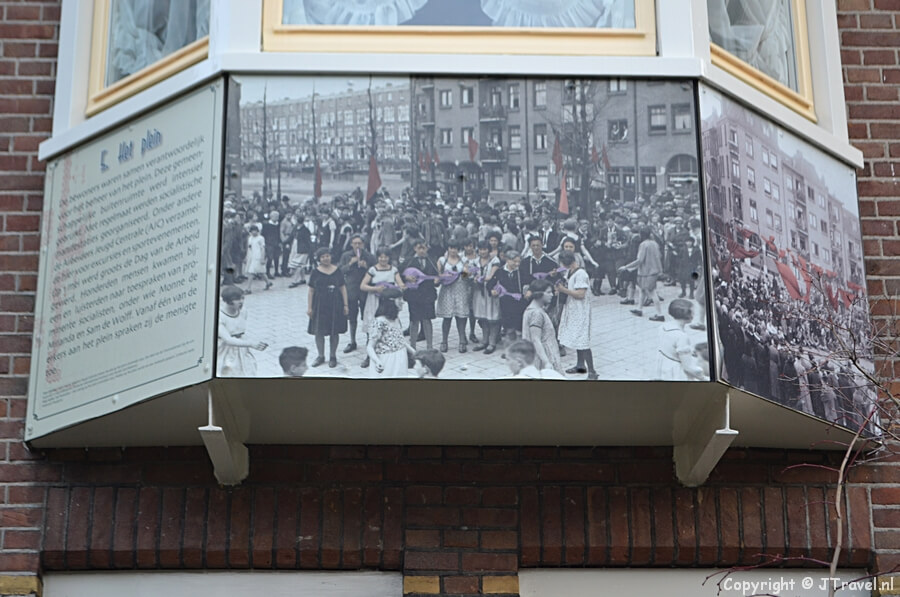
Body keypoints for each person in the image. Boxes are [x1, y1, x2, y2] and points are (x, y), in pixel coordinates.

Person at [360, 246, 406, 368]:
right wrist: (375, 289)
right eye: (381, 256)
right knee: (373, 327)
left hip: (388, 302)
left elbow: (400, 283)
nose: (383, 259)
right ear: (378, 257)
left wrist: (401, 287)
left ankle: (390, 352)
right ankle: (369, 356)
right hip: (374, 301)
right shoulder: (373, 270)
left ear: (389, 257)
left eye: (386, 256)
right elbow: (363, 286)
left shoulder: (393, 269)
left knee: (390, 325)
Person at [556, 251, 597, 379]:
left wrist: (563, 290)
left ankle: (592, 372)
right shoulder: (570, 272)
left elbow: (580, 294)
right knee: (578, 338)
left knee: (582, 339)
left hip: (581, 310)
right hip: (573, 308)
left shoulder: (581, 274)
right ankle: (580, 365)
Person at [307, 247, 349, 368]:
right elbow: (311, 291)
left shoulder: (337, 270)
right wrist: (309, 307)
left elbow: (342, 287)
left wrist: (345, 305)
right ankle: (320, 356)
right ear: (319, 259)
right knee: (319, 331)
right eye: (323, 256)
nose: (326, 258)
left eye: (328, 256)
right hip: (320, 304)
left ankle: (332, 356)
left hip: (335, 304)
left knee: (334, 331)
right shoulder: (315, 272)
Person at [217, 285, 267, 377]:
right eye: (237, 299)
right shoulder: (219, 316)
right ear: (227, 301)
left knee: (248, 371)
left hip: (242, 348)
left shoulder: (243, 311)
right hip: (226, 350)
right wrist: (251, 343)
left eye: (242, 298)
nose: (241, 301)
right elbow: (228, 339)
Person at [339, 235, 376, 355]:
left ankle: (369, 341)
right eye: (355, 243)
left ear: (363, 244)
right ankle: (352, 341)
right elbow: (340, 271)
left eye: (359, 243)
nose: (357, 246)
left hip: (365, 291)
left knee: (367, 317)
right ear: (351, 244)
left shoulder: (369, 256)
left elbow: (376, 271)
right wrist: (350, 264)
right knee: (352, 317)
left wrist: (367, 267)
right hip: (351, 290)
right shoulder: (346, 256)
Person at [366, 288, 415, 377]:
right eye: (399, 299)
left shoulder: (396, 319)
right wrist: (377, 361)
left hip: (400, 358)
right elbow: (370, 347)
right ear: (390, 302)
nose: (402, 302)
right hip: (387, 361)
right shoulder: (380, 322)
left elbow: (401, 340)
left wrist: (413, 352)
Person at [619, 226, 664, 322]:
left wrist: (626, 267)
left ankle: (660, 314)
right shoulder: (654, 244)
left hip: (646, 271)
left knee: (652, 292)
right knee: (642, 290)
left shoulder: (643, 245)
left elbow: (639, 260)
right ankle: (639, 309)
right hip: (653, 270)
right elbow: (659, 256)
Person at [520, 279, 564, 375]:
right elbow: (535, 339)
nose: (552, 295)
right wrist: (546, 362)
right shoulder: (536, 313)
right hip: (543, 356)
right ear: (538, 294)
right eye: (548, 292)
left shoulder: (533, 309)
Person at [403, 239, 440, 351]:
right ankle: (413, 346)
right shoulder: (409, 261)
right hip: (413, 295)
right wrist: (406, 277)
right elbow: (399, 273)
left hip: (427, 295)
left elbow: (437, 276)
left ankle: (429, 346)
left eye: (424, 248)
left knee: (427, 320)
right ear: (415, 248)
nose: (422, 250)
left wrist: (437, 280)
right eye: (419, 248)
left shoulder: (432, 261)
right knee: (414, 320)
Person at [656, 298, 705, 381]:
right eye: (692, 312)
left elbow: (670, 347)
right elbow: (688, 367)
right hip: (675, 371)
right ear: (687, 315)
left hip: (664, 365)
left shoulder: (663, 327)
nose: (694, 314)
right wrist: (703, 377)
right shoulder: (681, 336)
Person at [436, 240, 471, 353]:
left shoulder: (464, 260)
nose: (453, 250)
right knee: (447, 318)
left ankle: (462, 341)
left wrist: (465, 273)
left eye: (455, 248)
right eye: (451, 248)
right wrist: (444, 277)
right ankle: (444, 341)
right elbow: (438, 276)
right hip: (447, 291)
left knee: (461, 317)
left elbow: (466, 276)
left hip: (460, 290)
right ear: (448, 248)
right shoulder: (442, 260)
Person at [471, 240, 501, 353]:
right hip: (479, 292)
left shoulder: (494, 260)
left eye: (485, 249)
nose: (483, 251)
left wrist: (481, 277)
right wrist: (470, 276)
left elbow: (490, 275)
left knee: (492, 318)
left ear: (489, 250)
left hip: (491, 291)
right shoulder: (475, 261)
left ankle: (492, 343)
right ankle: (484, 341)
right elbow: (468, 273)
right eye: (481, 249)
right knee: (483, 317)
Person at [493, 250, 527, 342]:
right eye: (514, 261)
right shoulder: (500, 272)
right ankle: (510, 346)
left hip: (519, 303)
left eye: (519, 261)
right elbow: (491, 284)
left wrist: (528, 290)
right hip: (505, 303)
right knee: (508, 326)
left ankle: (519, 346)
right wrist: (493, 291)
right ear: (507, 260)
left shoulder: (521, 272)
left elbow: (529, 282)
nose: (517, 264)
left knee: (518, 326)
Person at [244, 224, 271, 293]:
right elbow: (249, 248)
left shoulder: (261, 238)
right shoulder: (250, 238)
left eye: (255, 231)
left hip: (258, 257)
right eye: (252, 231)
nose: (253, 232)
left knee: (251, 272)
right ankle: (268, 282)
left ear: (257, 231)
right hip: (251, 257)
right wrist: (246, 257)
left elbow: (263, 248)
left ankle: (248, 288)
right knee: (261, 272)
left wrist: (262, 258)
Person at [261, 210, 281, 279]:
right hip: (269, 243)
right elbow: (263, 234)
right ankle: (267, 272)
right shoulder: (266, 225)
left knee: (277, 257)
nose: (277, 218)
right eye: (275, 216)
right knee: (270, 258)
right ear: (271, 217)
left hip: (276, 242)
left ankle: (276, 271)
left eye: (278, 216)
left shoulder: (278, 224)